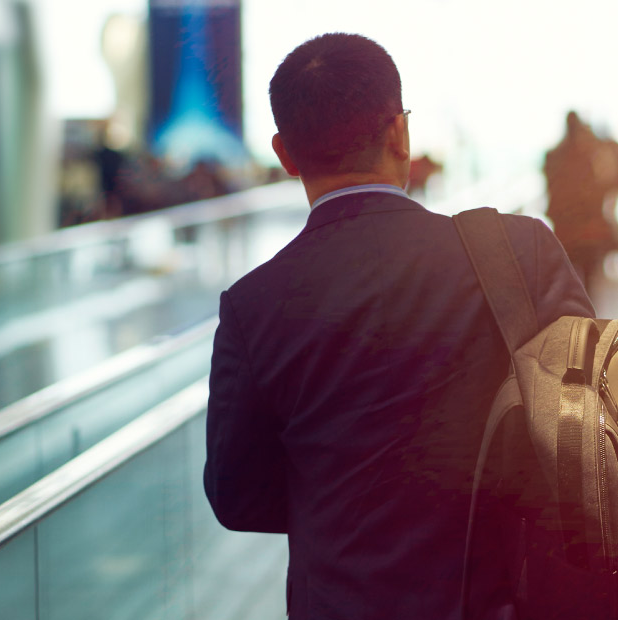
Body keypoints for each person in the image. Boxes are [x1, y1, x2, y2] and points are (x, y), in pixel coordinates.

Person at [204, 33, 594, 619]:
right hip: (508, 599)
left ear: (285, 155)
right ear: (400, 134)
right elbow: (590, 428)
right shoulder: (520, 253)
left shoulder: (252, 305)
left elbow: (237, 498)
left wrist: (341, 499)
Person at [544, 110, 618, 288]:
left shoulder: (553, 156)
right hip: (588, 231)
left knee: (570, 281)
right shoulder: (589, 155)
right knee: (588, 281)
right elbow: (606, 185)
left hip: (566, 230)